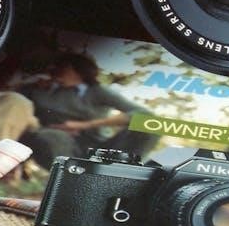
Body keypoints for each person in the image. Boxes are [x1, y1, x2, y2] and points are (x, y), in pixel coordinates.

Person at [17, 52, 158, 167]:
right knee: (50, 136)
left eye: (63, 66)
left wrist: (84, 125)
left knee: (151, 124)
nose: (56, 70)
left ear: (79, 70)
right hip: (61, 144)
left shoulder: (97, 91)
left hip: (101, 148)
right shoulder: (40, 89)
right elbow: (12, 105)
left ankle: (118, 171)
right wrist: (31, 83)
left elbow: (145, 115)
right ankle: (71, 180)